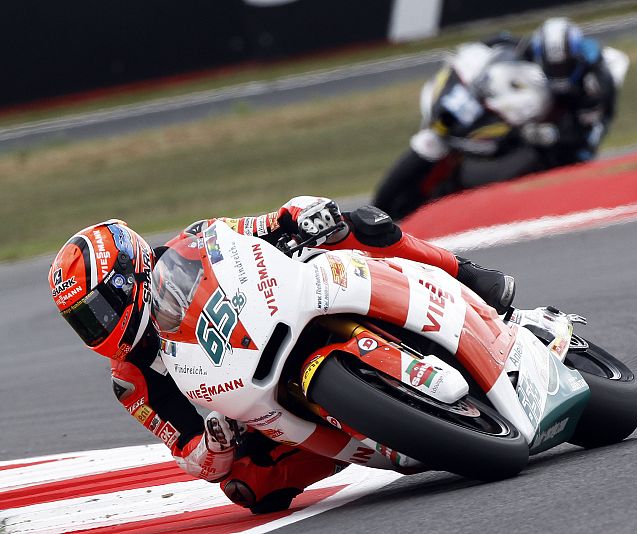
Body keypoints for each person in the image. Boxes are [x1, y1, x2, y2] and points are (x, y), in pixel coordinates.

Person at [48, 196, 515, 514]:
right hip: (254, 396)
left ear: (127, 275)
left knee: (355, 223)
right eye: (84, 322)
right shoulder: (131, 378)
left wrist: (302, 216)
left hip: (286, 302)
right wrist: (215, 443)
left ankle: (467, 274)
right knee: (248, 486)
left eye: (98, 311)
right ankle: (370, 431)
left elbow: (265, 224)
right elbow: (189, 455)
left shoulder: (195, 241)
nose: (99, 328)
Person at [374, 17, 619, 220]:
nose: (559, 73)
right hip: (529, 122)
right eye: (554, 67)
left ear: (577, 59)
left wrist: (551, 134)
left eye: (564, 67)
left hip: (569, 144)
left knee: (539, 159)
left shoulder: (595, 80)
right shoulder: (524, 48)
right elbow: (491, 46)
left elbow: (587, 134)